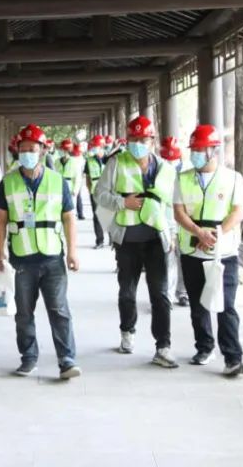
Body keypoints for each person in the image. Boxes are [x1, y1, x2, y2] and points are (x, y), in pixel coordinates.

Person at [0, 123, 81, 380]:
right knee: (23, 313)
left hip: (52, 257)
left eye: (32, 149)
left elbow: (69, 217)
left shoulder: (57, 181)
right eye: (23, 149)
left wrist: (72, 251)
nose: (28, 153)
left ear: (43, 150)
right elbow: (0, 221)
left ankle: (66, 360)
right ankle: (29, 358)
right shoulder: (8, 183)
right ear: (17, 151)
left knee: (59, 311)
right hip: (22, 259)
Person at [94, 116, 178, 368]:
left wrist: (172, 233)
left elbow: (171, 204)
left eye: (143, 139)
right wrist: (122, 202)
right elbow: (100, 194)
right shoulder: (116, 163)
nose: (138, 144)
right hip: (127, 239)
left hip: (156, 238)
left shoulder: (165, 168)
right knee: (127, 291)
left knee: (160, 294)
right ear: (127, 140)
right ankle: (127, 332)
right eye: (133, 139)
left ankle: (163, 346)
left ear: (152, 140)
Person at [174, 125, 243, 377]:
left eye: (200, 149)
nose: (195, 154)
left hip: (223, 252)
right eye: (193, 149)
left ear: (213, 151)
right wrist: (198, 233)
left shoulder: (233, 178)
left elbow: (237, 212)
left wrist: (216, 234)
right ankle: (204, 347)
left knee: (226, 305)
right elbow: (179, 212)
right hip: (192, 250)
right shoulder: (182, 178)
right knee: (198, 305)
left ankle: (233, 358)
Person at [160, 136, 190, 307]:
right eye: (167, 158)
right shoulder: (159, 171)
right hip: (167, 221)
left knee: (183, 259)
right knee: (169, 260)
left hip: (185, 222)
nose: (170, 161)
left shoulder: (189, 171)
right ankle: (168, 296)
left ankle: (183, 292)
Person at [84, 134, 107, 249]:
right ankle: (100, 241)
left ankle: (113, 240)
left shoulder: (110, 159)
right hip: (95, 192)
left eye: (95, 146)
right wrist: (90, 190)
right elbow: (87, 178)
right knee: (97, 216)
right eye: (93, 146)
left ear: (102, 146)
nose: (93, 148)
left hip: (109, 191)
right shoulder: (89, 161)